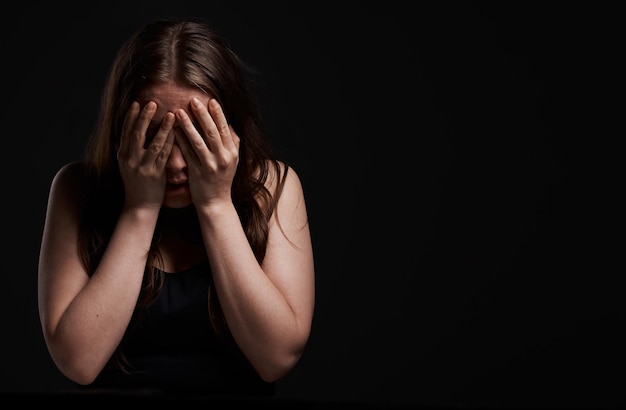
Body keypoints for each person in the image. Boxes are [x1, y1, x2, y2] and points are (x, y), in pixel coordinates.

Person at [37, 17, 315, 398]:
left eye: (196, 136)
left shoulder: (272, 186)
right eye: (155, 135)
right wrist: (140, 209)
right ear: (122, 127)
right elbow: (78, 362)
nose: (175, 165)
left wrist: (216, 204)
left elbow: (276, 358)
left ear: (231, 129)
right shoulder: (76, 188)